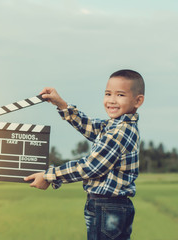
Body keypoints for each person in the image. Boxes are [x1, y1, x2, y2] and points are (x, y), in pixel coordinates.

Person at [24, 69, 145, 240]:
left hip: (108, 207)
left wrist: (50, 175)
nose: (111, 100)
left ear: (138, 100)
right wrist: (62, 105)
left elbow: (90, 167)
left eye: (120, 95)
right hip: (109, 206)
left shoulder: (119, 132)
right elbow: (89, 126)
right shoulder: (115, 127)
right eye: (108, 93)